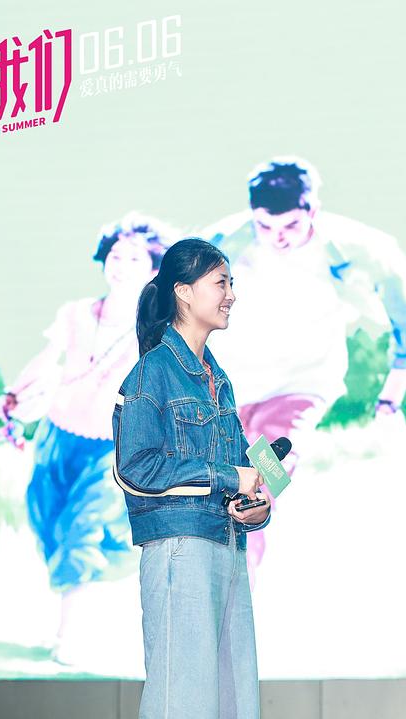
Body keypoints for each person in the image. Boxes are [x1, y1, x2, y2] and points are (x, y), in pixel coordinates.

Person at [203, 157, 406, 576]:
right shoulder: (220, 242)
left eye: (290, 225)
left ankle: (242, 575)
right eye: (265, 226)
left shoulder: (361, 249)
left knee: (266, 473)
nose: (278, 237)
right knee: (219, 486)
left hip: (300, 384)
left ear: (313, 210)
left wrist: (391, 396)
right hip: (227, 389)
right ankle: (221, 570)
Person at [0, 212, 172, 665]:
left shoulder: (159, 329)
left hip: (110, 448)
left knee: (82, 531)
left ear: (154, 268)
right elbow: (47, 360)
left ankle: (69, 636)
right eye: (116, 255)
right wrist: (14, 395)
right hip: (57, 437)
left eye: (134, 258)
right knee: (47, 525)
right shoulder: (75, 313)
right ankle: (73, 619)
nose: (122, 265)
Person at [113, 238, 270, 719]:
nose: (231, 295)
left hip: (226, 546)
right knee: (181, 701)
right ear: (183, 291)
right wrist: (228, 476)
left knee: (232, 701)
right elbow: (134, 467)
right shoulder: (151, 373)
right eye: (221, 283)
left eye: (231, 284)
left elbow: (241, 468)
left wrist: (256, 506)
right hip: (180, 551)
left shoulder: (218, 379)